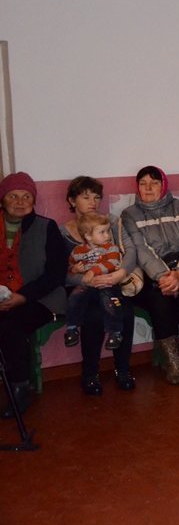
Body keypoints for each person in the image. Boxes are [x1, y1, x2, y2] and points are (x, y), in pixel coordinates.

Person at [120, 166, 179, 384]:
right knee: (160, 303)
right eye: (143, 183)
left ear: (164, 185)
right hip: (154, 276)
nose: (148, 188)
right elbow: (140, 249)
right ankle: (173, 360)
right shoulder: (129, 215)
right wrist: (163, 276)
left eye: (154, 183)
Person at [60, 175, 138, 395]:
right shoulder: (62, 232)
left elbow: (130, 251)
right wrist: (86, 279)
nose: (93, 202)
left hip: (111, 282)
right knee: (93, 317)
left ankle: (123, 370)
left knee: (125, 311)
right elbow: (63, 271)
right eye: (86, 197)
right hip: (82, 287)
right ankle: (90, 373)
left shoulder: (109, 223)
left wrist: (120, 273)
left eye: (96, 197)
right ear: (72, 201)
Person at [0, 172, 67, 418]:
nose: (20, 202)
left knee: (11, 325)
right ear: (2, 199)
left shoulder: (46, 227)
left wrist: (22, 297)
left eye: (26, 196)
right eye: (13, 196)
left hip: (41, 298)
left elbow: (56, 273)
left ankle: (20, 389)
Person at [64, 213, 126, 351]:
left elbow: (112, 262)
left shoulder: (111, 247)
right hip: (88, 286)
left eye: (107, 231)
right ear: (88, 236)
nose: (107, 235)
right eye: (102, 232)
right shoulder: (78, 251)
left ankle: (115, 331)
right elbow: (70, 266)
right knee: (75, 295)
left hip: (107, 284)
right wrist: (74, 269)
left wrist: (93, 271)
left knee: (109, 300)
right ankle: (72, 327)